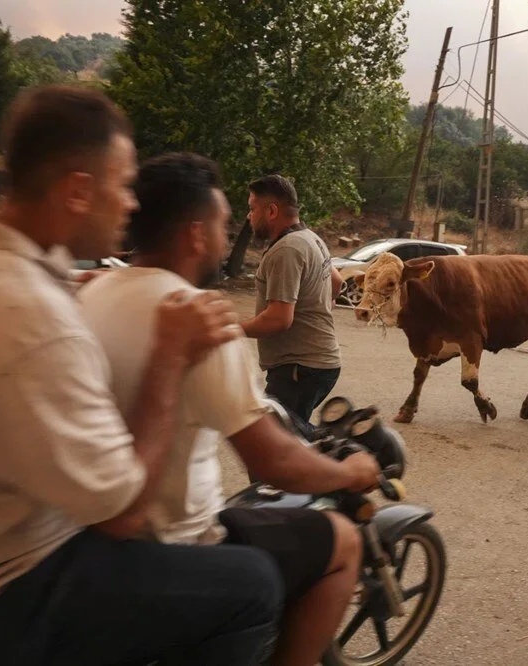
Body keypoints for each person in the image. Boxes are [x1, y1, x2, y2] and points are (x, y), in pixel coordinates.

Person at [0, 85, 283, 666]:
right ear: (79, 192)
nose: (132, 205)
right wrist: (169, 355)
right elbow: (124, 512)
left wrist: (76, 286)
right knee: (254, 583)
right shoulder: (30, 316)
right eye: (122, 185)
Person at [79, 152, 380, 666]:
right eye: (222, 222)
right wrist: (348, 472)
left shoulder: (91, 293)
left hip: (90, 537)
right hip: (176, 541)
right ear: (196, 233)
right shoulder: (196, 320)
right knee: (343, 542)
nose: (231, 231)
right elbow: (273, 462)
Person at [240, 175, 344, 425]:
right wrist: (316, 307)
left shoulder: (287, 249)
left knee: (272, 450)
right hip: (318, 364)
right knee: (292, 440)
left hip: (299, 368)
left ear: (272, 210)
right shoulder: (311, 238)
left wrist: (230, 328)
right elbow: (337, 281)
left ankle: (348, 459)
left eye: (253, 209)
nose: (249, 216)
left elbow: (278, 319)